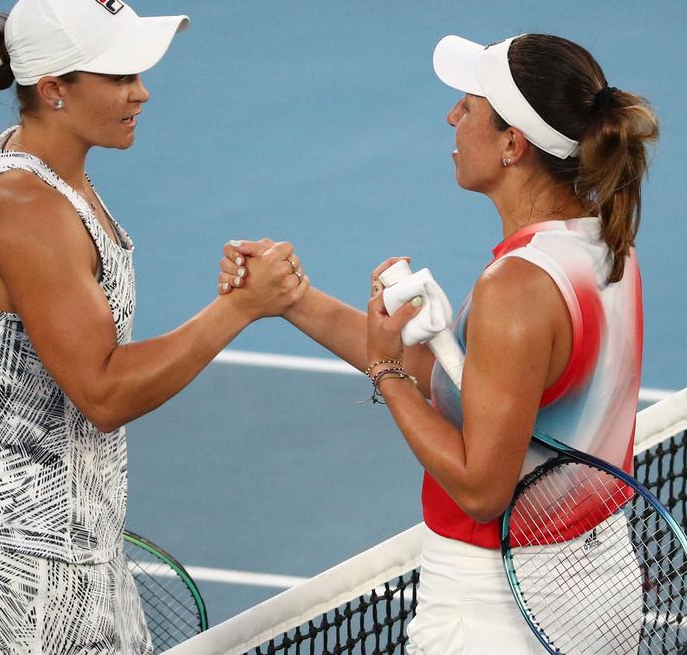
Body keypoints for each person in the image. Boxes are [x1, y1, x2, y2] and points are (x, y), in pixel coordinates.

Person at [221, 33, 657, 652]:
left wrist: (384, 371)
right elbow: (479, 389)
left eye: (470, 106)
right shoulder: (606, 245)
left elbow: (482, 491)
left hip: (499, 608)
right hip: (600, 583)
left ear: (513, 144)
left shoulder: (517, 288)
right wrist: (293, 300)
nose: (452, 115)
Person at [0, 0, 308, 655]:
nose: (141, 92)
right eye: (119, 75)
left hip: (84, 559)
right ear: (54, 88)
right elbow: (103, 391)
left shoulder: (14, 163)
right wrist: (240, 308)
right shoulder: (26, 209)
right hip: (16, 586)